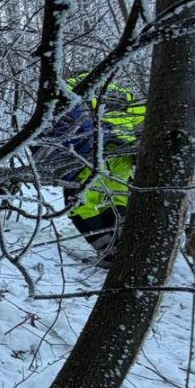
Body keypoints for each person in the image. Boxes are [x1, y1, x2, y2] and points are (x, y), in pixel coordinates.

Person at [49, 73, 146, 266]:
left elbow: (61, 111)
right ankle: (131, 248)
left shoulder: (76, 84)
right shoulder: (123, 91)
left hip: (90, 154)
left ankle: (110, 253)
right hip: (122, 154)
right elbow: (142, 118)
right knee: (118, 197)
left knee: (80, 204)